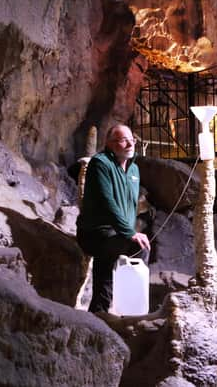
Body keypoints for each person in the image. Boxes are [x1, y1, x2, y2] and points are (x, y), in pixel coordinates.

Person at [76, 124, 151, 313]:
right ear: (109, 144)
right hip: (95, 233)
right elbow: (107, 202)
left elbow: (130, 205)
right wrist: (130, 233)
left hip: (115, 233)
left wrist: (129, 230)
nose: (129, 144)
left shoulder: (134, 170)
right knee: (136, 247)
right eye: (123, 140)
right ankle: (130, 310)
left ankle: (102, 312)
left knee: (108, 269)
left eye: (131, 139)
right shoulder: (100, 163)